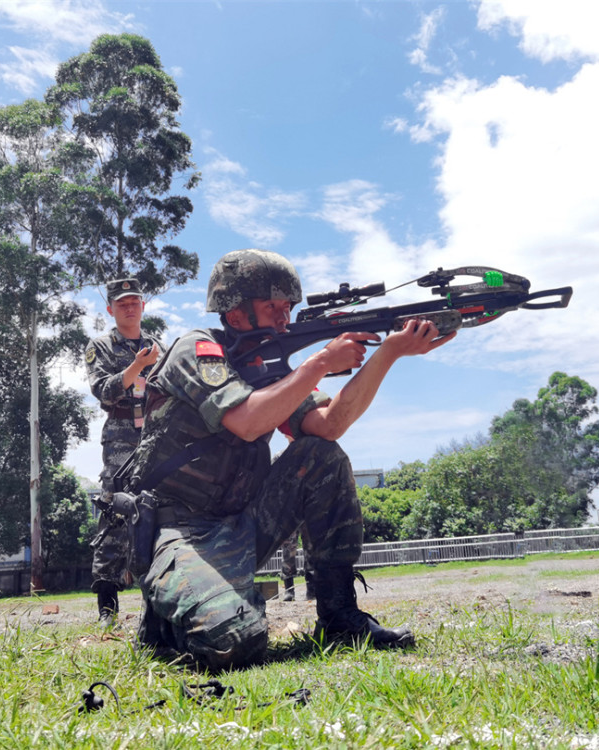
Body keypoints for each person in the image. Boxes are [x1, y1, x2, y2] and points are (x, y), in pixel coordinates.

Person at [129, 248, 452, 670]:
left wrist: (388, 352)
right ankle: (164, 624)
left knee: (320, 456)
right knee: (233, 642)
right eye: (272, 308)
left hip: (241, 525)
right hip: (180, 532)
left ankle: (339, 618)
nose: (284, 319)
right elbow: (246, 420)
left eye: (288, 308)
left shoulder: (273, 371)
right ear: (237, 314)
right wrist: (320, 363)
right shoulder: (197, 349)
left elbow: (330, 424)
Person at [85, 279, 161, 626]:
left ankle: (160, 598)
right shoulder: (101, 346)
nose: (129, 307)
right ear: (110, 310)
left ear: (143, 306)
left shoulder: (157, 346)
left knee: (159, 510)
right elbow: (103, 390)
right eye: (122, 303)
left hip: (156, 435)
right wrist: (136, 368)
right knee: (114, 513)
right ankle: (107, 608)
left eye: (135, 302)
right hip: (119, 437)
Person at [279, 530, 313, 602]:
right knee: (288, 549)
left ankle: (311, 589)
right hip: (291, 520)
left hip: (307, 519)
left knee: (310, 548)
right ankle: (289, 590)